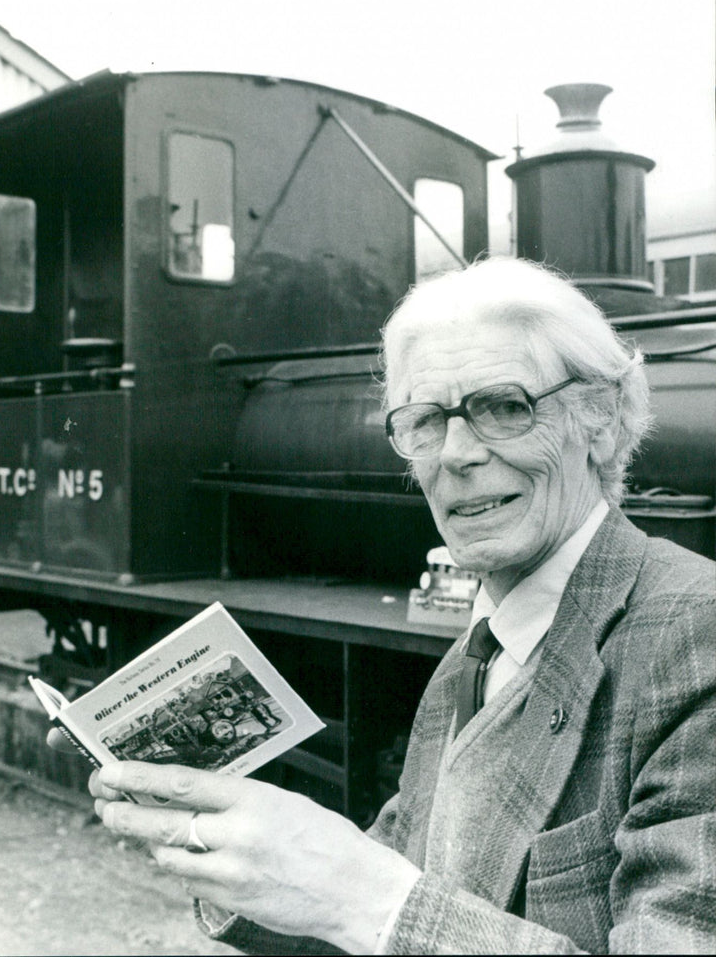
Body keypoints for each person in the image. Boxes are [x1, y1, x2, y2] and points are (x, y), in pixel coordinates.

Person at [77, 257, 715, 954]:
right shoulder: (467, 663)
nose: (456, 453)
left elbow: (382, 905)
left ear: (599, 416)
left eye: (505, 406)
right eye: (424, 421)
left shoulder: (694, 633)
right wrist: (229, 838)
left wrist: (363, 896)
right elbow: (380, 900)